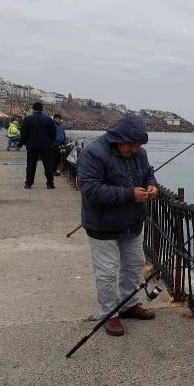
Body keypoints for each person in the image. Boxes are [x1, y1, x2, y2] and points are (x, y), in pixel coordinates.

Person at [77, 115, 158, 336]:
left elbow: (148, 173)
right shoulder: (93, 153)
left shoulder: (139, 153)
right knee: (107, 272)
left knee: (134, 264)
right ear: (119, 139)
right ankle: (109, 313)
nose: (135, 149)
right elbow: (90, 189)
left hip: (132, 222)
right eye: (132, 145)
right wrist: (129, 194)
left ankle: (129, 304)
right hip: (102, 224)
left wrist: (151, 185)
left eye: (138, 145)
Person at [19, 102, 57, 189]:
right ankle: (50, 183)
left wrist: (24, 142)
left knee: (31, 165)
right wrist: (50, 141)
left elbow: (23, 133)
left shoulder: (28, 119)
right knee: (48, 164)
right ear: (42, 109)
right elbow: (53, 133)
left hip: (32, 145)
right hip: (46, 145)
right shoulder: (48, 119)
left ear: (33, 109)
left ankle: (28, 183)